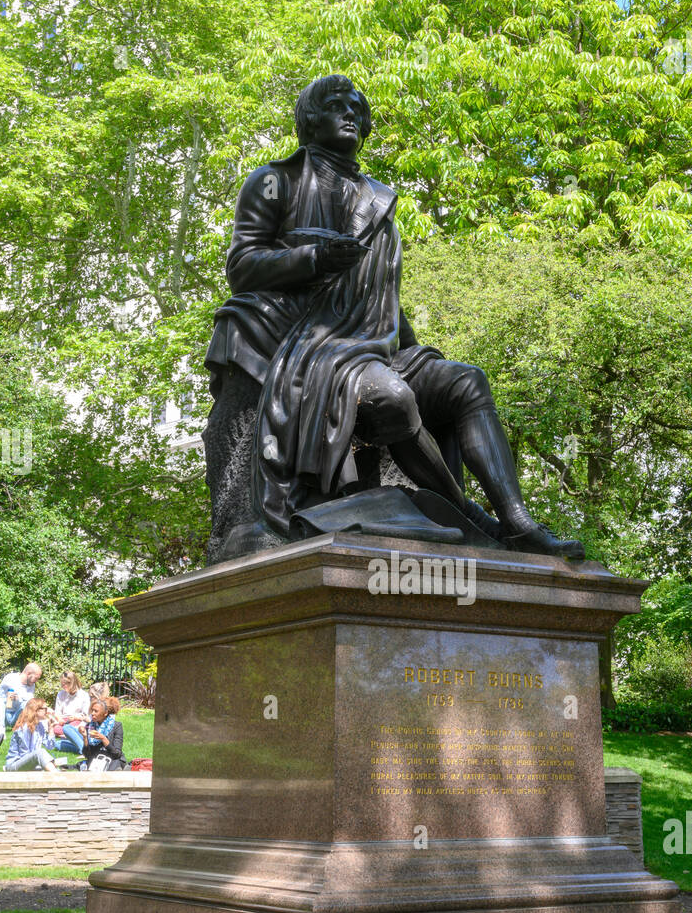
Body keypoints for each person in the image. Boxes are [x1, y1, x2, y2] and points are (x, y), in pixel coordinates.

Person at [203, 74, 586, 565]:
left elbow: (382, 296)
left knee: (466, 382)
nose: (350, 115)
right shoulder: (275, 181)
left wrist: (413, 351)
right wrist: (315, 258)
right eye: (336, 106)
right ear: (310, 119)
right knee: (395, 400)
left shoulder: (379, 201)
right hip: (313, 348)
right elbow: (242, 266)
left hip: (374, 345)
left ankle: (516, 524)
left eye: (356, 108)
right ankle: (464, 513)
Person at [4, 697, 59, 773]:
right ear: (35, 710)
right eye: (45, 709)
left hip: (30, 762)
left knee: (54, 761)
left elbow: (50, 746)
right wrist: (42, 765)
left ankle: (57, 774)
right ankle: (58, 776)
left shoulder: (40, 726)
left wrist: (51, 728)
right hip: (14, 765)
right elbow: (25, 755)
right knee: (41, 753)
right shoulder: (24, 728)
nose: (47, 712)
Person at [0, 662, 43, 737]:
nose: (36, 681)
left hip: (15, 717)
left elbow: (29, 703)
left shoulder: (31, 685)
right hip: (1, 714)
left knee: (29, 703)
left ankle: (25, 727)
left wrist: (18, 699)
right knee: (0, 700)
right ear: (28, 673)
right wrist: (8, 698)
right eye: (36, 678)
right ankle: (0, 728)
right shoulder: (10, 678)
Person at [78, 698, 126, 771]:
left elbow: (117, 754)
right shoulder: (90, 726)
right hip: (97, 759)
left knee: (113, 765)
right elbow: (87, 755)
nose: (92, 713)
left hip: (113, 759)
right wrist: (85, 737)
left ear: (105, 713)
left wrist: (103, 739)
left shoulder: (116, 726)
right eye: (92, 710)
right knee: (82, 765)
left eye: (96, 711)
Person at [53, 670, 91, 755]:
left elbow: (86, 716)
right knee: (56, 744)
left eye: (64, 684)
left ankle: (83, 750)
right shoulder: (61, 694)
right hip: (63, 721)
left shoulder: (83, 695)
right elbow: (57, 712)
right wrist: (59, 719)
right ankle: (77, 742)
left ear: (72, 683)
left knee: (67, 729)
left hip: (76, 721)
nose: (62, 686)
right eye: (61, 684)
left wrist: (75, 717)